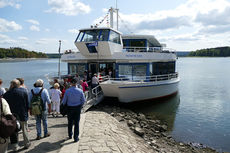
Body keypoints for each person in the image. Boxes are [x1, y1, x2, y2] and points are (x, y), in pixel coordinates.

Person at [3, 79, 30, 151]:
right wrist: (27, 111)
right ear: (18, 84)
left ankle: (15, 146)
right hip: (22, 113)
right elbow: (27, 103)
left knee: (13, 131)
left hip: (12, 115)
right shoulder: (24, 91)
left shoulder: (6, 94)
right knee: (24, 129)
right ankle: (26, 143)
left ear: (11, 85)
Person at [62, 78, 86, 142]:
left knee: (70, 122)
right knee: (76, 123)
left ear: (71, 83)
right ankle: (76, 137)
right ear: (76, 83)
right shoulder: (80, 91)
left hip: (70, 108)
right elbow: (83, 101)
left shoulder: (67, 91)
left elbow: (64, 102)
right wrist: (80, 106)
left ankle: (70, 135)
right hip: (77, 108)